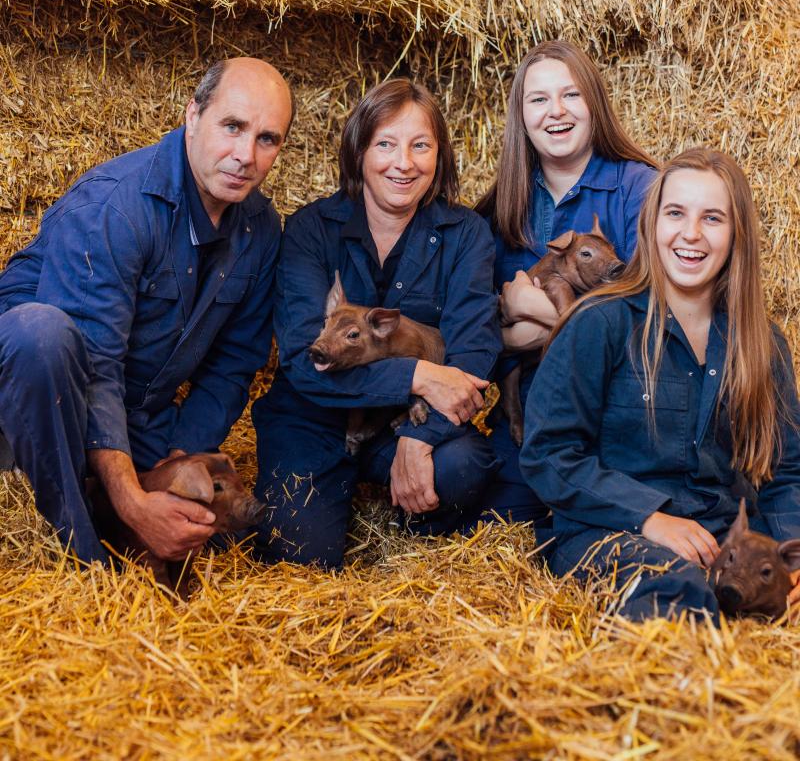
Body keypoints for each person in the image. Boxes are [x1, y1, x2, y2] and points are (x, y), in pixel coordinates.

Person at [0, 57, 293, 566]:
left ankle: (106, 500)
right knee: (40, 333)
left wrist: (174, 466)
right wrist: (134, 504)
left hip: (134, 410)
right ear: (192, 115)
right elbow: (96, 369)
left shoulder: (261, 230)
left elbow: (233, 366)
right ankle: (85, 561)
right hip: (36, 396)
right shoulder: (116, 207)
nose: (246, 154)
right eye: (232, 126)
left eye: (267, 139)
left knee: (218, 532)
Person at [522, 148, 800, 621]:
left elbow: (787, 470)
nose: (690, 234)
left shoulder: (762, 342)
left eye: (712, 218)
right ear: (652, 224)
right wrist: (650, 517)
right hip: (614, 531)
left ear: (736, 237)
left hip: (723, 538)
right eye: (676, 213)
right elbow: (549, 453)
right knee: (680, 592)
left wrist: (791, 555)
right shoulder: (600, 322)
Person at [252, 78, 501, 568]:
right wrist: (418, 375)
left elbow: (473, 354)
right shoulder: (309, 230)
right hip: (314, 417)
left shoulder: (466, 234)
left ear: (440, 156)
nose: (403, 163)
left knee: (464, 467)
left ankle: (408, 521)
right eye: (385, 144)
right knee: (297, 555)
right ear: (359, 150)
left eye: (421, 146)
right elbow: (307, 363)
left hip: (401, 422)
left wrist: (417, 437)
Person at [474, 40, 657, 527]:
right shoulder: (499, 208)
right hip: (532, 412)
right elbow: (467, 328)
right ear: (521, 116)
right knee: (488, 527)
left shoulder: (641, 189)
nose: (556, 112)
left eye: (571, 95)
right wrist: (511, 333)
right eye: (538, 100)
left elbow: (656, 316)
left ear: (594, 103)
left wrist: (541, 315)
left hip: (623, 408)